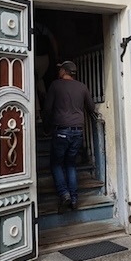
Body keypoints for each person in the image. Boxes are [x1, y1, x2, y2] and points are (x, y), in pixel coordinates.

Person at [43, 60, 96, 211]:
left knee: (56, 164)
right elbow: (91, 108)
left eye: (60, 69)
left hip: (61, 131)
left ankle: (64, 194)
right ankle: (74, 199)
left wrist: (46, 127)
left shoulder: (55, 85)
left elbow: (47, 109)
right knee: (71, 164)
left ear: (64, 71)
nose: (58, 71)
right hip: (78, 131)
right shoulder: (82, 87)